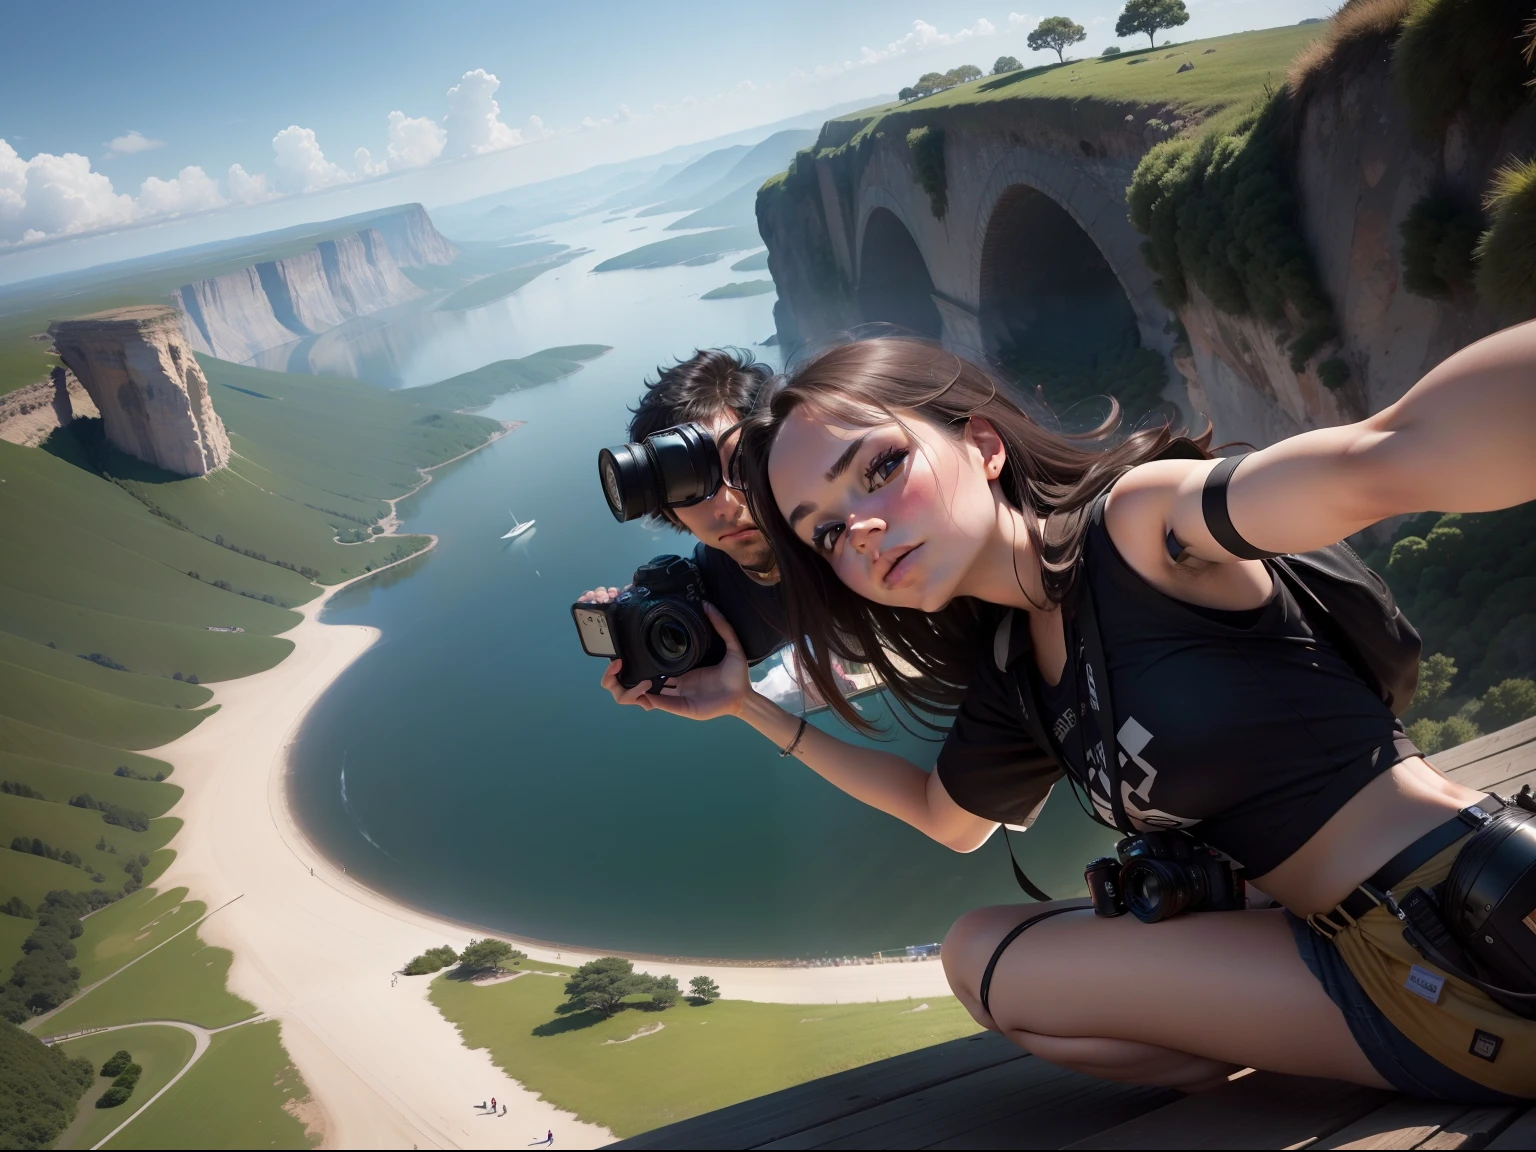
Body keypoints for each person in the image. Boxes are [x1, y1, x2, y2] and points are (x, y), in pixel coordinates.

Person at [613, 330, 1536, 1102]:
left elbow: (1392, 454)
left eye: (883, 468)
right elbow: (947, 818)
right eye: (821, 531)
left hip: (1463, 942)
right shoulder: (1021, 664)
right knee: (981, 955)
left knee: (996, 959)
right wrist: (743, 706)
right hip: (1361, 950)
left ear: (982, 444)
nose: (858, 529)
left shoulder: (1139, 526)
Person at [581, 350, 789, 695]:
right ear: (667, 509)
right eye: (689, 486)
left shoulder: (855, 531)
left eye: (742, 466)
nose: (724, 505)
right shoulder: (709, 602)